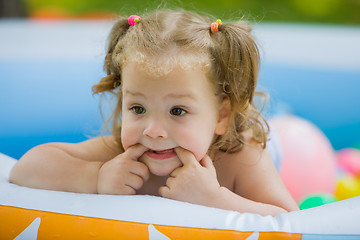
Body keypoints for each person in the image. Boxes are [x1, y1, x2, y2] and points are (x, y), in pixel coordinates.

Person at [9, 9, 299, 216]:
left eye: (177, 110)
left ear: (221, 115)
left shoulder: (239, 156)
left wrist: (214, 198)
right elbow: (26, 169)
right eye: (138, 108)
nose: (153, 130)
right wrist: (96, 177)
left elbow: (291, 219)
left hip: (264, 147)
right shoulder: (118, 157)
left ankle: (285, 125)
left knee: (284, 142)